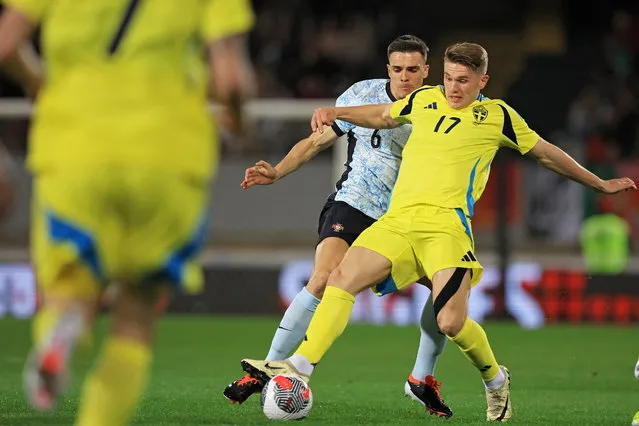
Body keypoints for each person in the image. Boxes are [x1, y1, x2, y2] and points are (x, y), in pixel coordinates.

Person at [240, 42, 637, 422]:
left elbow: (547, 153)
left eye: (463, 79)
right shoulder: (423, 99)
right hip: (398, 222)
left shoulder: (499, 116)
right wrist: (335, 111)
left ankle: (496, 379)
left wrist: (598, 184)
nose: (453, 87)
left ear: (483, 80)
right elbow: (381, 115)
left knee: (450, 322)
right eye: (448, 77)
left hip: (446, 230)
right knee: (339, 279)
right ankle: (299, 367)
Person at [0, 1, 256, 425]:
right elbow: (230, 79)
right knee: (137, 310)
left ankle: (59, 333)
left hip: (74, 147)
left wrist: (38, 82)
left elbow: (6, 43)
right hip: (167, 153)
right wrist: (241, 122)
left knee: (70, 284)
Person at [225, 34, 452, 418]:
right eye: (398, 69)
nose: (405, 77)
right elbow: (315, 143)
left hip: (405, 217)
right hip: (355, 204)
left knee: (447, 292)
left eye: (413, 70)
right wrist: (278, 170)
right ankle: (269, 367)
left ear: (426, 71)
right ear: (388, 69)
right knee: (322, 277)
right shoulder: (361, 94)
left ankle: (421, 378)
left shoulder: (439, 108)